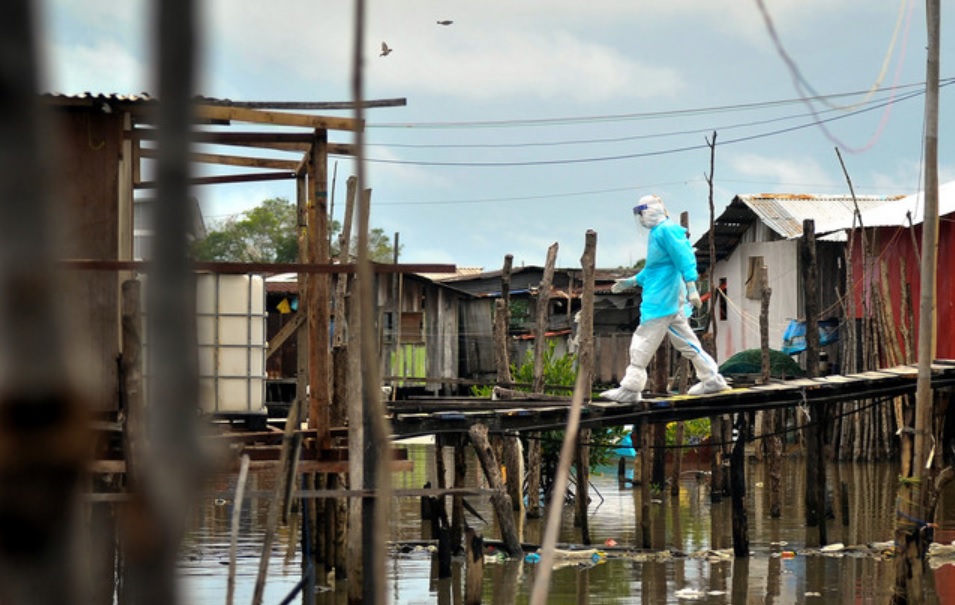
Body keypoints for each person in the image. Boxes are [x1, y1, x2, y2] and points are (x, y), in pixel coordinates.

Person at [600, 194, 730, 403]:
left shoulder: (666, 230)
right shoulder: (657, 233)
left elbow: (684, 256)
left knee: (643, 339)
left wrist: (692, 285)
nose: (641, 219)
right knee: (686, 341)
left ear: (651, 210)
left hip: (661, 299)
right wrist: (631, 281)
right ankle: (712, 378)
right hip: (667, 296)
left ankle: (631, 388)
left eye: (642, 213)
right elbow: (654, 268)